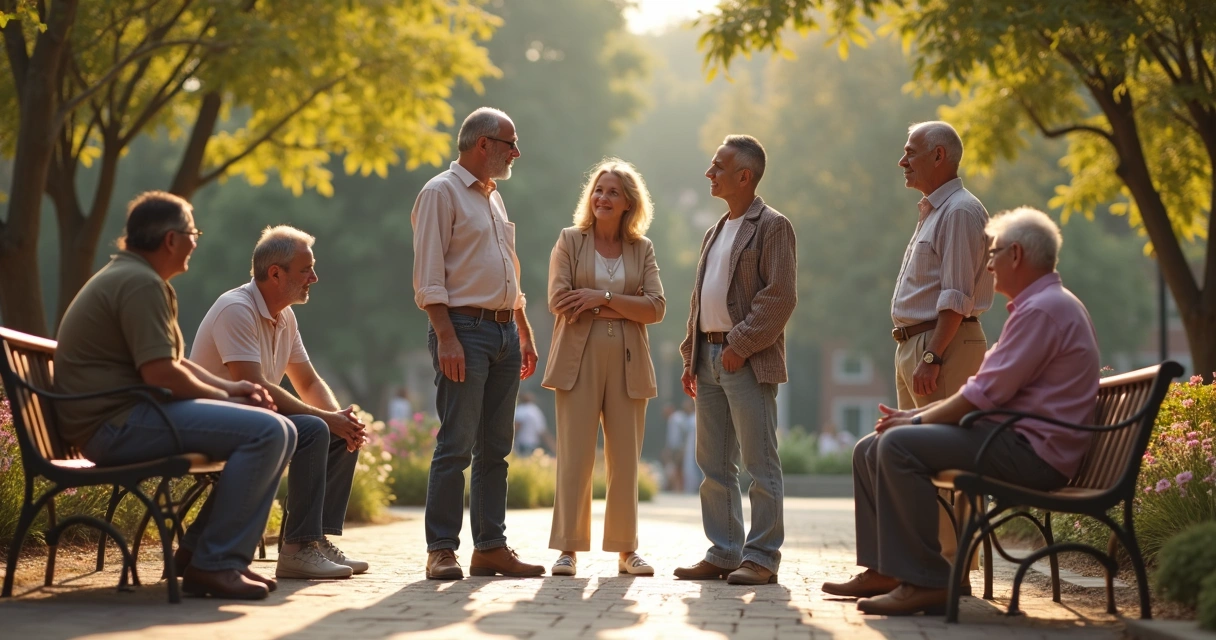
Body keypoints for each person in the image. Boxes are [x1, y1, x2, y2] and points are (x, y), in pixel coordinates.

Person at [823, 207, 1099, 616]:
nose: (988, 263)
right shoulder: (1040, 306)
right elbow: (986, 390)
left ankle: (927, 581)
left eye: (994, 253)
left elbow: (982, 395)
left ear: (1017, 255)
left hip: (1032, 454)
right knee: (870, 446)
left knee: (897, 446)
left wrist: (915, 419)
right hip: (1016, 440)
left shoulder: (1043, 310)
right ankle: (886, 569)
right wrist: (913, 418)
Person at [53, 191, 291, 600]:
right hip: (116, 425)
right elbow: (160, 373)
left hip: (122, 417)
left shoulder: (135, 277)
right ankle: (215, 564)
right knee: (269, 432)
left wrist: (232, 389)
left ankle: (203, 554)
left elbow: (173, 361)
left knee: (280, 428)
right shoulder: (140, 283)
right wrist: (227, 395)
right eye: (192, 232)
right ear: (170, 239)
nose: (196, 242)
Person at [190, 225, 369, 580]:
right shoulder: (236, 309)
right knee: (317, 428)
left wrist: (341, 420)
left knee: (333, 430)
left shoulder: (285, 316)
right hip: (213, 423)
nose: (314, 278)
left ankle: (313, 541)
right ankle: (297, 550)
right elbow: (255, 385)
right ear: (275, 273)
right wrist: (327, 420)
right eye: (306, 270)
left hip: (257, 423)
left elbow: (308, 381)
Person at [411, 106, 543, 580]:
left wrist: (523, 329)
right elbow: (428, 276)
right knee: (456, 442)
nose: (516, 152)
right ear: (483, 143)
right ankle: (441, 548)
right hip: (463, 331)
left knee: (496, 448)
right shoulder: (439, 193)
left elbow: (509, 267)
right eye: (510, 143)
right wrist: (446, 336)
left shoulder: (493, 198)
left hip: (504, 332)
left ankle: (490, 547)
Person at [674, 135, 797, 586]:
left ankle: (762, 557)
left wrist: (739, 345)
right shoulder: (715, 230)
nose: (710, 173)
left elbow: (780, 296)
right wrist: (692, 358)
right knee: (714, 464)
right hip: (707, 359)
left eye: (718, 167)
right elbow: (699, 300)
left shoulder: (773, 226)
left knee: (760, 462)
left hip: (745, 359)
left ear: (744, 175)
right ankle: (725, 551)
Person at [541, 158, 665, 578]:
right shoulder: (569, 240)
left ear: (629, 202)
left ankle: (627, 550)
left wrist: (600, 297)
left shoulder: (642, 248)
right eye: (598, 190)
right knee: (574, 457)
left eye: (613, 192)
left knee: (625, 460)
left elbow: (657, 308)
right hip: (577, 359)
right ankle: (568, 551)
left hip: (629, 361)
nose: (603, 198)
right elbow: (559, 299)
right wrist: (620, 302)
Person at [891, 120, 995, 563]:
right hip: (920, 346)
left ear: (940, 156)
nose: (902, 160)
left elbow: (956, 296)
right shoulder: (936, 211)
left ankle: (953, 570)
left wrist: (932, 355)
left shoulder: (960, 212)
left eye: (911, 151)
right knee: (919, 463)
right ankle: (926, 566)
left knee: (951, 463)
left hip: (942, 346)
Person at [663, 403, 688, 492]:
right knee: (676, 468)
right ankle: (677, 487)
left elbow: (685, 432)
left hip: (678, 448)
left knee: (678, 467)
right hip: (674, 448)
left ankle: (680, 487)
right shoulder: (672, 419)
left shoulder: (678, 418)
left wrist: (683, 447)